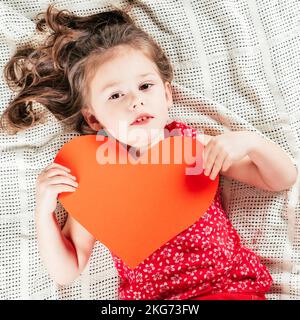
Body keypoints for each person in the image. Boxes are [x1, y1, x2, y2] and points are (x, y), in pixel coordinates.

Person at [1, 4, 297, 300]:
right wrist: (44, 211)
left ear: (167, 94)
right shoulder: (93, 178)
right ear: (94, 118)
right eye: (116, 95)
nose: (135, 101)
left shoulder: (192, 148)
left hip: (223, 289)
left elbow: (282, 179)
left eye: (145, 86)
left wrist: (251, 143)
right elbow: (67, 269)